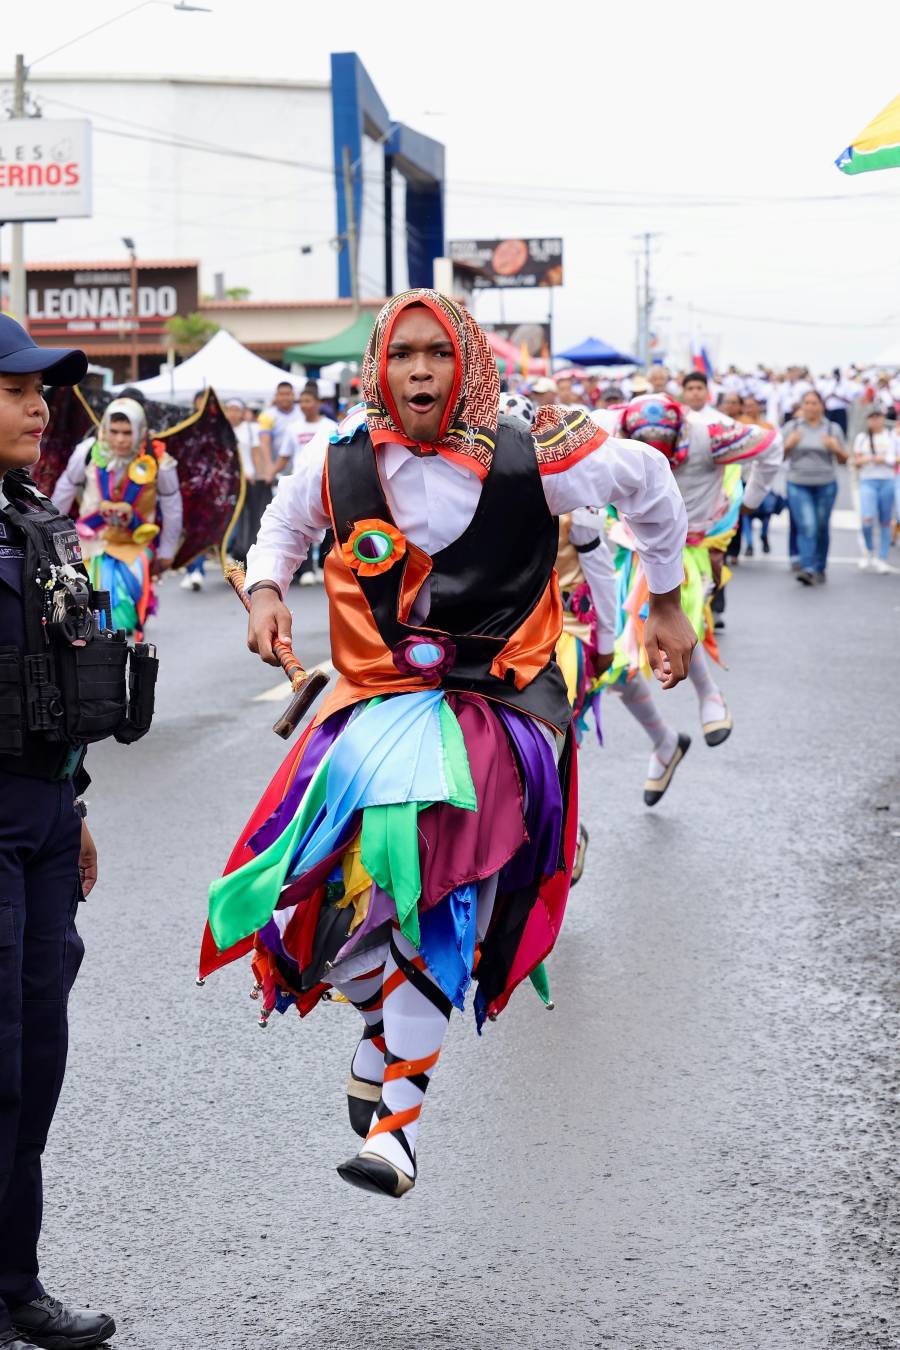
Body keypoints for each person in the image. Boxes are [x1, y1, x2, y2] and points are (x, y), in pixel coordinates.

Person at [201, 290, 693, 1199]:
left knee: (436, 870)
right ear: (379, 366)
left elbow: (653, 484)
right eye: (401, 354)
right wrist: (266, 586)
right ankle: (381, 1026)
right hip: (385, 697)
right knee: (317, 885)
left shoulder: (538, 454)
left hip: (503, 700)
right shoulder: (337, 457)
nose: (418, 370)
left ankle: (398, 1130)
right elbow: (282, 527)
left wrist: (664, 601)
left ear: (464, 359)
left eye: (435, 352)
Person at [0, 315, 159, 1349]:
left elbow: (50, 680)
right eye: (16, 390)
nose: (39, 407)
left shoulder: (35, 518)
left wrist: (77, 803)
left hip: (47, 813)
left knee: (38, 1055)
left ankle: (16, 1285)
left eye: (42, 392)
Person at [598, 392, 778, 804]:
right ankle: (665, 741)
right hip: (623, 558)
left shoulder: (713, 435)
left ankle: (707, 696)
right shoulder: (593, 435)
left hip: (688, 549)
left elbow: (772, 446)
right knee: (615, 665)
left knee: (681, 619)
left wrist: (746, 508)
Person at [51, 397, 182, 636]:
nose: (120, 439)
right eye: (114, 431)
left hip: (134, 547)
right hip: (89, 545)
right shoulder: (87, 452)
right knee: (88, 615)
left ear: (140, 431)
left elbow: (173, 507)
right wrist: (49, 536)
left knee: (124, 620)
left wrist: (167, 551)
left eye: (127, 432)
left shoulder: (160, 461)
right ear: (104, 429)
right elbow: (64, 492)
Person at [783, 389, 848, 585]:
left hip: (825, 483)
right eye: (807, 403)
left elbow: (844, 460)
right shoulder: (793, 427)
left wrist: (835, 447)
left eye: (814, 403)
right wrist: (790, 444)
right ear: (801, 406)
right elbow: (779, 456)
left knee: (821, 526)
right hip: (798, 482)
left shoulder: (832, 428)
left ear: (822, 406)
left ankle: (820, 565)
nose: (811, 407)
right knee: (807, 525)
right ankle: (808, 567)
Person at [739, 395, 785, 556]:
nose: (749, 409)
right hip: (744, 474)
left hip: (762, 473)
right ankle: (750, 543)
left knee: (766, 510)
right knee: (745, 509)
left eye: (752, 405)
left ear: (758, 407)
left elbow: (776, 448)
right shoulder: (740, 425)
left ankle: (764, 535)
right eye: (746, 405)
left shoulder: (767, 426)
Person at [853, 407, 897, 573]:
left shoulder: (890, 437)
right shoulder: (862, 438)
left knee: (885, 521)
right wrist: (870, 458)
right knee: (867, 519)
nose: (875, 421)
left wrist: (885, 459)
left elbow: (896, 457)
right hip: (868, 480)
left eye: (878, 417)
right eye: (872, 418)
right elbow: (856, 460)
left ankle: (882, 557)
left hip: (886, 480)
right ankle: (869, 549)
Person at [257, 380, 299, 475]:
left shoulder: (302, 412)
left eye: (288, 394)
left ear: (293, 396)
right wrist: (269, 466)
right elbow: (264, 442)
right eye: (281, 394)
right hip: (277, 468)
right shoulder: (267, 415)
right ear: (276, 396)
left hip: (299, 467)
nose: (284, 397)